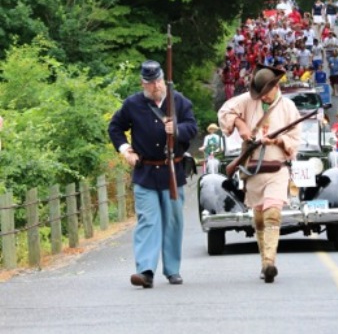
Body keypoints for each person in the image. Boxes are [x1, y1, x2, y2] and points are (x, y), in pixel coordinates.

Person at [108, 60, 198, 289]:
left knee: (173, 222)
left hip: (172, 171)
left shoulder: (179, 102)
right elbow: (115, 128)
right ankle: (145, 271)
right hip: (145, 172)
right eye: (150, 83)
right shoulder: (133, 104)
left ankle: (172, 270)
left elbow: (192, 128)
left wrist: (176, 129)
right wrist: (125, 150)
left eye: (158, 81)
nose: (155, 86)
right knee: (148, 221)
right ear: (143, 83)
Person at [218, 65, 301, 283]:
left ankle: (269, 262)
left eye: (266, 91)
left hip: (278, 168)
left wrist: (278, 140)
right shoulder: (246, 100)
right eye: (260, 93)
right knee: (259, 217)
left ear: (276, 86)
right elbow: (224, 112)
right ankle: (264, 261)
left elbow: (295, 140)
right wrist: (240, 124)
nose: (263, 97)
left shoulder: (289, 107)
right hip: (253, 169)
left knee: (273, 213)